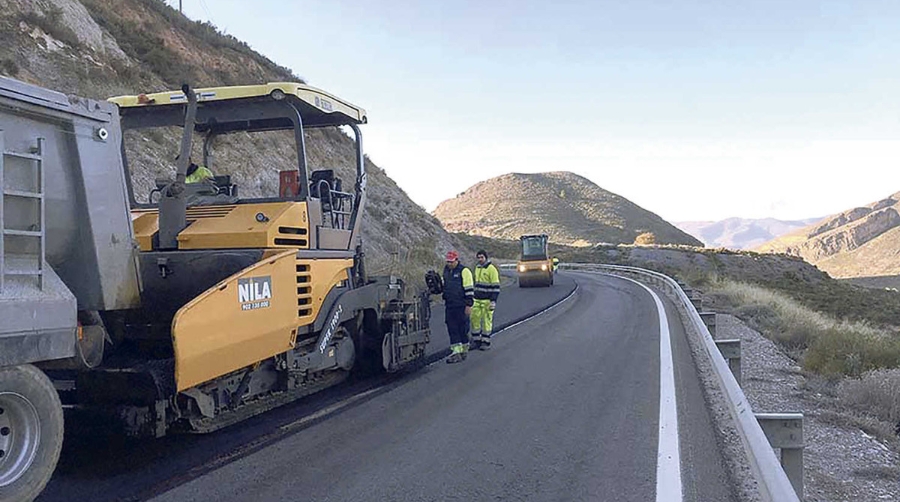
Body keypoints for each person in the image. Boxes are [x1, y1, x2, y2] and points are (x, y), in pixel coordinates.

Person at [442, 250, 474, 364]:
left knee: (463, 328)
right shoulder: (446, 271)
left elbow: (469, 289)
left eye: (451, 262)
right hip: (450, 305)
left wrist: (469, 305)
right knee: (452, 327)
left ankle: (464, 349)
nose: (449, 264)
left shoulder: (464, 271)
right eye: (448, 262)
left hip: (461, 305)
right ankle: (456, 351)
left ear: (456, 260)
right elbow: (444, 285)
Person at [471, 249, 500, 351]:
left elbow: (496, 287)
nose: (480, 259)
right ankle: (476, 341)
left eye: (481, 257)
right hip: (477, 299)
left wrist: (493, 301)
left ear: (486, 258)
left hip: (487, 300)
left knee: (487, 321)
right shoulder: (477, 268)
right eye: (478, 257)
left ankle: (486, 342)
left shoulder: (491, 269)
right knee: (475, 320)